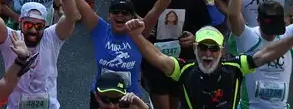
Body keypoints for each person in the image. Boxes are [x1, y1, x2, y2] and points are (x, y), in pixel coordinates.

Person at [124, 18, 293, 109]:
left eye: (213, 49)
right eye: (203, 48)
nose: (208, 54)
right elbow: (157, 57)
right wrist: (136, 36)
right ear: (195, 48)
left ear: (221, 51)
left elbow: (267, 53)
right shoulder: (184, 69)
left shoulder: (235, 67)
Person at [0, 0, 77, 109]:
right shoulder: (12, 38)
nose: (33, 30)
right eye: (28, 25)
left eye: (38, 25)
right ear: (21, 22)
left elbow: (71, 18)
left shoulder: (52, 37)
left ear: (45, 25)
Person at [227, 0, 293, 109]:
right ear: (257, 21)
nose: (271, 34)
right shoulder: (248, 37)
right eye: (268, 29)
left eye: (275, 29)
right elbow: (233, 14)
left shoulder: (288, 34)